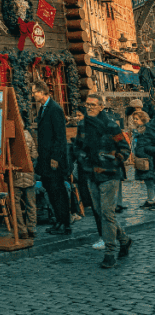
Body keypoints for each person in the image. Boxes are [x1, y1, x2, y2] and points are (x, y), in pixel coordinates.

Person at [80, 93, 132, 269]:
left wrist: (112, 157)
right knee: (101, 212)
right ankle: (124, 240)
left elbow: (125, 149)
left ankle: (110, 252)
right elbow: (78, 147)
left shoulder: (110, 126)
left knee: (107, 214)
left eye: (93, 105)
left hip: (110, 176)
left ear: (101, 106)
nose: (89, 108)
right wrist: (83, 160)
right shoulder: (83, 125)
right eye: (87, 105)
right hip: (92, 175)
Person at [32, 80, 71, 235]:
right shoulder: (43, 108)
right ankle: (58, 221)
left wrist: (55, 157)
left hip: (54, 161)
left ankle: (65, 223)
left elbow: (60, 136)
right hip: (45, 160)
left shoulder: (54, 109)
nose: (33, 94)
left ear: (43, 92)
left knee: (58, 192)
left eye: (35, 91)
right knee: (51, 191)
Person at [71, 106, 105, 249]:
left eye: (80, 115)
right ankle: (116, 237)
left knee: (104, 210)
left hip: (101, 173)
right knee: (99, 208)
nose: (78, 118)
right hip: (89, 172)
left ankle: (109, 239)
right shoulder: (82, 129)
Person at [13, 126, 38, 240]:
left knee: (16, 204)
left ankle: (22, 230)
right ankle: (32, 228)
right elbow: (34, 155)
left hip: (15, 174)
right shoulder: (28, 135)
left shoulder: (10, 136)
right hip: (28, 172)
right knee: (31, 203)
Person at [131, 108, 155, 208]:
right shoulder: (137, 131)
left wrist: (146, 150)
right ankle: (150, 200)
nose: (134, 120)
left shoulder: (147, 129)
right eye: (134, 119)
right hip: (141, 159)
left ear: (143, 119)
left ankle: (152, 201)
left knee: (150, 180)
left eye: (137, 119)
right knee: (147, 181)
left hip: (148, 159)